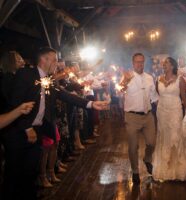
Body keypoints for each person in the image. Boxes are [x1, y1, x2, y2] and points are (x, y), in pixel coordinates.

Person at [3, 47, 109, 200]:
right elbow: (15, 102)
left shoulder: (48, 80)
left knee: (30, 173)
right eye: (54, 60)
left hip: (37, 131)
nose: (57, 63)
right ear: (44, 60)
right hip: (18, 132)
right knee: (14, 175)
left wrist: (91, 105)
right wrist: (27, 127)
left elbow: (65, 95)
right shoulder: (26, 74)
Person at [152, 57, 186, 181]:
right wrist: (159, 105)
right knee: (164, 137)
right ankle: (165, 169)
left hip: (175, 111)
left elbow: (184, 98)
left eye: (166, 62)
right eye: (163, 63)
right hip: (162, 112)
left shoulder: (180, 80)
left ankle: (178, 171)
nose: (163, 64)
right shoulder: (158, 79)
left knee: (175, 137)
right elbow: (157, 95)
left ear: (172, 66)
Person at [120, 53, 158, 184]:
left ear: (144, 62)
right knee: (133, 147)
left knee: (152, 143)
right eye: (137, 62)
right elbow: (119, 90)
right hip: (132, 117)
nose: (139, 64)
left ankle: (147, 159)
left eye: (141, 62)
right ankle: (135, 171)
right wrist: (124, 82)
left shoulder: (149, 77)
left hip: (148, 116)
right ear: (132, 63)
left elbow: (154, 97)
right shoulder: (127, 77)